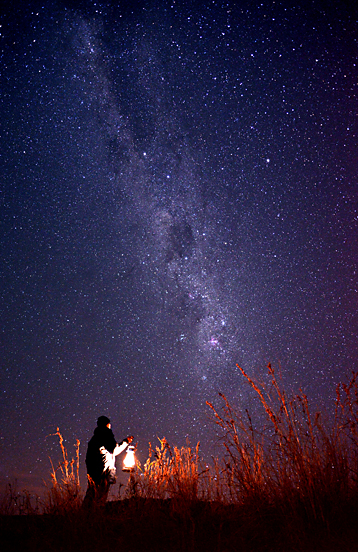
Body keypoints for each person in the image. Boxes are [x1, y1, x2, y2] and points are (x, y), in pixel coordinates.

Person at [83, 416, 133, 507]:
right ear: (107, 424)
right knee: (100, 495)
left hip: (94, 470)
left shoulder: (95, 437)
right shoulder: (106, 433)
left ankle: (84, 515)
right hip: (103, 471)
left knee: (91, 493)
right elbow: (114, 450)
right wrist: (126, 442)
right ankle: (96, 516)